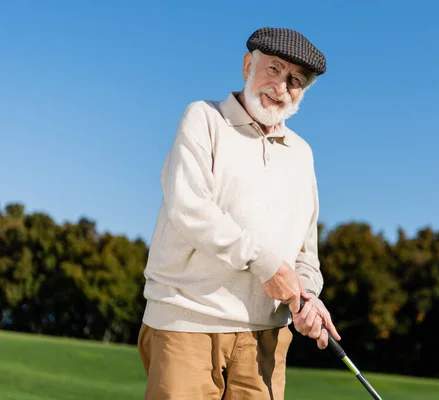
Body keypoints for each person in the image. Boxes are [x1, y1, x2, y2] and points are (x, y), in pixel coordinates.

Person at [137, 26, 341, 399]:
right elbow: (190, 209)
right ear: (248, 65)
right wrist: (268, 266)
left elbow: (305, 254)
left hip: (267, 337)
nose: (280, 87)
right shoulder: (203, 118)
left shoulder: (302, 154)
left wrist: (306, 296)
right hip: (188, 322)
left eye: (295, 80)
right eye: (274, 69)